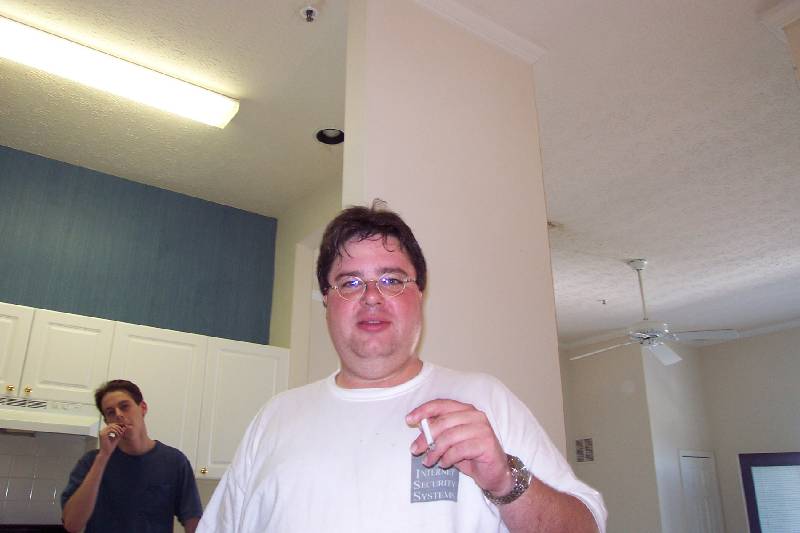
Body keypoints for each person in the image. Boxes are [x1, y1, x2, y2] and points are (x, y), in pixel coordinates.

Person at [198, 202, 607, 532]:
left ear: (420, 295)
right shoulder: (274, 418)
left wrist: (504, 481)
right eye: (350, 282)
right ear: (327, 299)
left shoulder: (484, 401)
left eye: (392, 280)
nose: (371, 297)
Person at [61, 379, 202, 532]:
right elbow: (72, 525)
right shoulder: (91, 462)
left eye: (124, 406)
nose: (118, 415)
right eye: (110, 412)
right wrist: (103, 456)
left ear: (143, 408)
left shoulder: (174, 462)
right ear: (107, 421)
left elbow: (193, 520)